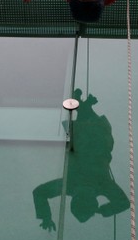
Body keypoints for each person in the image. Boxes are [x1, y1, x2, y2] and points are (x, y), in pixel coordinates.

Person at [32, 89, 129, 231]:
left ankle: (83, 105)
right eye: (87, 198)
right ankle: (83, 105)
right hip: (94, 138)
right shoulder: (95, 185)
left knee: (86, 130)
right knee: (89, 129)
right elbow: (123, 203)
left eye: (81, 198)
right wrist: (103, 211)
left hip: (87, 138)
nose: (84, 193)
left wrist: (46, 216)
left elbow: (39, 193)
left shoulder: (70, 186)